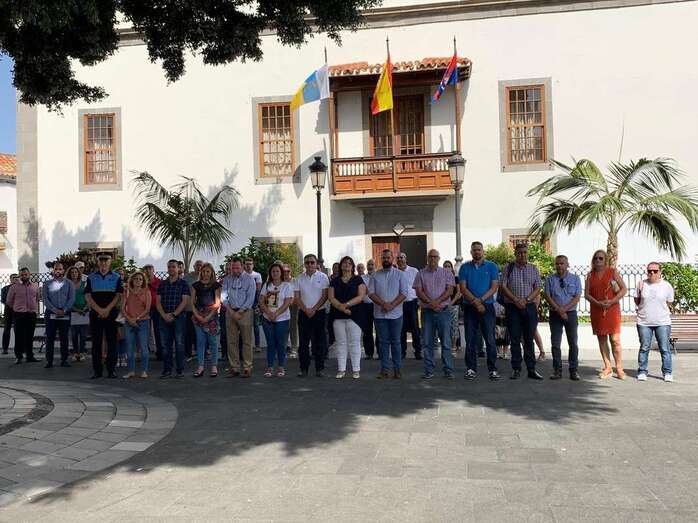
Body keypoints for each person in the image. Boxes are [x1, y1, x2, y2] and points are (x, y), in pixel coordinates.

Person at [458, 241, 501, 381]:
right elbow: (463, 288)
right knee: (470, 339)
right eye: (474, 250)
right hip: (470, 307)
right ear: (471, 252)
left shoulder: (492, 266)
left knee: (490, 339)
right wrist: (476, 302)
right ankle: (471, 369)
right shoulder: (464, 267)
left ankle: (492, 369)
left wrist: (481, 300)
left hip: (487, 307)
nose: (477, 252)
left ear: (483, 251)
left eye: (479, 249)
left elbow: (494, 287)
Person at [499, 244, 543, 380]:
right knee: (515, 338)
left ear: (527, 253)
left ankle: (531, 369)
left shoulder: (533, 268)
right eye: (519, 253)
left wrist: (526, 299)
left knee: (529, 339)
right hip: (512, 307)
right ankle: (516, 369)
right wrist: (516, 299)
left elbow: (538, 287)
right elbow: (503, 286)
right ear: (515, 254)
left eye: (524, 252)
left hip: (529, 307)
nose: (522, 255)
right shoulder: (508, 268)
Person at [413, 250, 456, 379]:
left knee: (446, 342)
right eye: (430, 256)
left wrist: (436, 302)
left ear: (439, 258)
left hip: (443, 312)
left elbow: (450, 290)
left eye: (435, 257)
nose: (433, 259)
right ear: (427, 258)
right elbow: (418, 291)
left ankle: (448, 370)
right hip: (427, 312)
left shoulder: (446, 273)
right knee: (427, 343)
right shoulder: (420, 273)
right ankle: (429, 370)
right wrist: (430, 302)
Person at [585, 249, 627, 379]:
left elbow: (623, 289)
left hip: (612, 310)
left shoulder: (612, 272)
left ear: (605, 260)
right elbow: (586, 294)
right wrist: (597, 303)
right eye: (596, 258)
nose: (598, 260)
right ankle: (608, 367)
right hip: (597, 310)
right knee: (602, 339)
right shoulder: (590, 275)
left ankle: (619, 368)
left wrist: (612, 301)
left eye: (601, 258)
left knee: (615, 339)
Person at [368, 249, 408, 379]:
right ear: (381, 259)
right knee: (383, 342)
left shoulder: (400, 274)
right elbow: (371, 293)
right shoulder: (375, 275)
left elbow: (404, 293)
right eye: (384, 258)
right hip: (380, 315)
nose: (386, 260)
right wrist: (383, 304)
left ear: (392, 258)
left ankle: (397, 370)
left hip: (396, 314)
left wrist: (392, 305)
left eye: (388, 258)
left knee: (396, 342)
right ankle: (384, 370)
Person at [543, 255, 582, 380]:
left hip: (570, 313)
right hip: (555, 314)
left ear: (567, 265)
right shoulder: (550, 279)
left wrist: (564, 309)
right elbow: (547, 296)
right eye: (557, 263)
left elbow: (577, 296)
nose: (559, 266)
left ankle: (573, 370)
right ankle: (557, 370)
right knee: (555, 343)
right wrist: (559, 310)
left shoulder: (575, 279)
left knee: (573, 343)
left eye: (562, 263)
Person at [635, 262, 674, 382]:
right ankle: (642, 371)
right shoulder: (641, 284)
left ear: (660, 272)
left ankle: (667, 372)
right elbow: (637, 300)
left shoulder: (666, 286)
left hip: (662, 322)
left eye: (655, 271)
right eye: (649, 271)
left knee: (664, 348)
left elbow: (669, 301)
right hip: (644, 322)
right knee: (644, 347)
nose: (652, 273)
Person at [85, 255, 123, 378]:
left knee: (112, 342)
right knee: (96, 343)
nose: (103, 265)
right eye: (101, 263)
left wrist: (107, 309)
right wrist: (99, 310)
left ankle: (111, 370)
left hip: (111, 314)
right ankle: (97, 371)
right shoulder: (91, 277)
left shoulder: (116, 277)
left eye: (106, 263)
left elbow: (118, 296)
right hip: (96, 315)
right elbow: (88, 296)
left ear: (110, 263)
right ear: (98, 264)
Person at [329, 256, 367, 379]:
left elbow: (361, 296)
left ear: (353, 266)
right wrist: (341, 308)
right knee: (340, 343)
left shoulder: (358, 279)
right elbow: (331, 297)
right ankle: (341, 369)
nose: (347, 265)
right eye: (344, 263)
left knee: (354, 343)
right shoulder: (334, 281)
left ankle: (356, 370)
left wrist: (346, 305)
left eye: (349, 263)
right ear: (340, 266)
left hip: (355, 316)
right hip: (338, 316)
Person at [294, 253, 329, 377]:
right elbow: (296, 297)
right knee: (303, 343)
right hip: (304, 313)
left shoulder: (323, 277)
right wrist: (306, 309)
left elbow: (325, 296)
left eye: (312, 262)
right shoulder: (299, 278)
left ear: (316, 264)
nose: (309, 264)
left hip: (319, 313)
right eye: (307, 262)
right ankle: (304, 369)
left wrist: (314, 309)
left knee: (319, 342)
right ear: (304, 264)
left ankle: (319, 369)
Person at [221, 257, 257, 377]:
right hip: (230, 311)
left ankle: (247, 367)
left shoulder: (250, 279)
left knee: (246, 341)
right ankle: (234, 367)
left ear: (242, 267)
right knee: (231, 341)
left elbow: (250, 298)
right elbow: (223, 297)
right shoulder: (227, 279)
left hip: (245, 312)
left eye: (237, 267)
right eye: (233, 268)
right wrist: (231, 311)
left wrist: (240, 312)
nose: (235, 270)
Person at [156, 259, 191, 379]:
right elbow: (158, 302)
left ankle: (180, 370)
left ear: (178, 268)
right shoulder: (162, 284)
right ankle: (167, 370)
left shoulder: (183, 284)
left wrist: (174, 314)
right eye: (169, 267)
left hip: (179, 318)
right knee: (166, 345)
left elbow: (185, 301)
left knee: (180, 344)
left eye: (173, 267)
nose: (171, 269)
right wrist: (164, 315)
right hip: (164, 318)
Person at [259, 262, 294, 377]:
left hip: (282, 319)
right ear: (270, 273)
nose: (275, 273)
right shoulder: (266, 285)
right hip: (267, 318)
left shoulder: (287, 285)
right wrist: (269, 313)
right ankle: (270, 367)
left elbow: (287, 302)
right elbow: (261, 301)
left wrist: (276, 314)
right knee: (270, 343)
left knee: (281, 343)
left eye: (277, 271)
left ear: (281, 273)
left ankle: (281, 367)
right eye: (273, 271)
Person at [42, 261, 76, 368]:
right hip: (51, 313)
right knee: (50, 337)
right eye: (56, 269)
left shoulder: (69, 283)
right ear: (53, 270)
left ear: (63, 270)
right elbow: (45, 299)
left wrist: (64, 310)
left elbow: (72, 298)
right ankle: (49, 361)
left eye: (60, 269)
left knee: (64, 337)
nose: (58, 271)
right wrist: (54, 310)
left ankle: (64, 360)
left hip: (65, 313)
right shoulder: (46, 283)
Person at [191, 262, 222, 378]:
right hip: (198, 316)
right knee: (200, 342)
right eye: (203, 271)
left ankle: (214, 366)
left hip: (212, 317)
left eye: (208, 271)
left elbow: (217, 303)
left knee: (213, 342)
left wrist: (208, 317)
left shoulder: (216, 285)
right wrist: (197, 315)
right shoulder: (195, 285)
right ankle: (200, 366)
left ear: (212, 272)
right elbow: (192, 302)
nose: (205, 274)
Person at [121, 270, 151, 378]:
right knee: (129, 347)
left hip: (143, 322)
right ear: (132, 280)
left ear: (143, 281)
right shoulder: (127, 292)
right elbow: (122, 308)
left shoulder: (146, 292)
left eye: (140, 279)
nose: (138, 281)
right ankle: (131, 371)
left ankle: (144, 371)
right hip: (129, 322)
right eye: (136, 279)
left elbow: (147, 309)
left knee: (143, 347)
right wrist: (130, 319)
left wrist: (137, 318)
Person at [6, 268, 40, 364]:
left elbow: (37, 299)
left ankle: (30, 356)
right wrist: (17, 308)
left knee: (30, 336)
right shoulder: (14, 287)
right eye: (22, 275)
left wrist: (33, 309)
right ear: (19, 276)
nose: (24, 276)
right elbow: (9, 301)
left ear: (29, 275)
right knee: (19, 336)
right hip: (19, 315)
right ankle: (19, 357)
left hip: (31, 314)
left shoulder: (35, 286)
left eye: (25, 274)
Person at [396, 252, 422, 359]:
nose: (400, 259)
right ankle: (402, 352)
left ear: (406, 259)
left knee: (415, 329)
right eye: (398, 258)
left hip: (412, 303)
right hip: (399, 304)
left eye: (401, 257)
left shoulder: (414, 271)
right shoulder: (395, 272)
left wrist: (420, 300)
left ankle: (418, 352)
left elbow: (419, 286)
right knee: (401, 329)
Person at [67, 266, 89, 362]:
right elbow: (67, 300)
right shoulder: (67, 285)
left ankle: (82, 352)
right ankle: (75, 353)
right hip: (73, 312)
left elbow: (88, 296)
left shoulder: (84, 284)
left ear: (78, 273)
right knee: (74, 334)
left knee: (83, 335)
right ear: (69, 274)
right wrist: (76, 309)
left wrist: (85, 307)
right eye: (72, 272)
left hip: (84, 311)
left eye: (76, 272)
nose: (74, 274)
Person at [183, 259, 203, 361]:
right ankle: (188, 353)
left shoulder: (205, 277)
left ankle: (201, 352)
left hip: (202, 309)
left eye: (201, 265)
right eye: (197, 265)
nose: (199, 267)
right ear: (194, 266)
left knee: (201, 332)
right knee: (189, 332)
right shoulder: (187, 277)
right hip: (189, 308)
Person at [143, 264, 163, 360]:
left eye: (150, 268)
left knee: (157, 330)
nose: (148, 271)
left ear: (153, 270)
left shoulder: (159, 282)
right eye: (146, 269)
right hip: (145, 308)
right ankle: (145, 352)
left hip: (156, 308)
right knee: (145, 331)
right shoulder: (142, 282)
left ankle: (160, 352)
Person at [357, 261, 377, 359]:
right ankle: (369, 353)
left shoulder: (378, 276)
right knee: (367, 330)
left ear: (375, 266)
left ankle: (381, 353)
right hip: (365, 306)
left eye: (372, 264)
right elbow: (361, 291)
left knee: (379, 330)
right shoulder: (362, 278)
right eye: (369, 265)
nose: (370, 266)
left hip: (377, 305)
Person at [244, 258, 263, 353]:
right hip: (244, 303)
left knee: (256, 325)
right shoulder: (242, 275)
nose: (248, 266)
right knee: (245, 326)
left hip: (254, 303)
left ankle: (257, 345)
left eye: (250, 264)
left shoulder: (257, 275)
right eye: (247, 264)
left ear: (253, 265)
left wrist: (258, 304)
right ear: (244, 265)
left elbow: (258, 290)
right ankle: (247, 345)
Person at [443, 260, 462, 355]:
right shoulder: (441, 278)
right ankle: (447, 345)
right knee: (445, 326)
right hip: (443, 305)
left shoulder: (456, 278)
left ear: (451, 268)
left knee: (454, 326)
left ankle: (454, 346)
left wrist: (452, 302)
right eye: (445, 266)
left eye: (448, 266)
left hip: (454, 305)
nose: (447, 268)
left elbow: (459, 292)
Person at [283, 264, 299, 358]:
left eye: (288, 271)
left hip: (293, 306)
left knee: (293, 327)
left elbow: (297, 294)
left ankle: (294, 348)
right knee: (284, 327)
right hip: (282, 307)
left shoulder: (295, 281)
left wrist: (291, 302)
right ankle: (284, 348)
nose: (286, 273)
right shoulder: (280, 281)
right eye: (284, 271)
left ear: (290, 271)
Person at [1, 273, 18, 355]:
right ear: (10, 279)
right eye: (14, 277)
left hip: (18, 311)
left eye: (17, 277)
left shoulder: (21, 288)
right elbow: (3, 300)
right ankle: (5, 349)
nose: (16, 279)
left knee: (18, 330)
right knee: (6, 330)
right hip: (8, 311)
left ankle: (19, 348)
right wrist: (12, 305)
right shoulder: (5, 288)